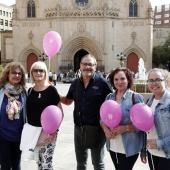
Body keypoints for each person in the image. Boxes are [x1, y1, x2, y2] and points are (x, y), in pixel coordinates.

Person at [60, 54, 113, 170]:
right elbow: (68, 101)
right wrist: (56, 95)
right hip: (79, 128)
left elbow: (113, 103)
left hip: (97, 129)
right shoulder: (75, 83)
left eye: (90, 64)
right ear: (80, 66)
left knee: (98, 163)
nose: (87, 67)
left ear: (95, 66)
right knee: (80, 163)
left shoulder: (103, 83)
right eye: (85, 64)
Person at [101, 67, 144, 170]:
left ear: (128, 80)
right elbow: (102, 118)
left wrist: (125, 128)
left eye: (122, 79)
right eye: (116, 79)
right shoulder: (109, 97)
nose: (119, 82)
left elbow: (142, 124)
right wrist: (105, 130)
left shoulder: (136, 97)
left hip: (130, 146)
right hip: (113, 145)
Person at [26, 61, 63, 170]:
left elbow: (60, 113)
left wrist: (53, 132)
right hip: (34, 132)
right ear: (31, 73)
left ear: (45, 73)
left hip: (48, 133)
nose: (38, 73)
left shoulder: (51, 90)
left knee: (47, 164)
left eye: (41, 70)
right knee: (40, 163)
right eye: (35, 70)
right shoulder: (30, 90)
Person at [141, 68, 170, 170]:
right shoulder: (149, 101)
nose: (154, 83)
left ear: (165, 81)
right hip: (152, 153)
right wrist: (144, 150)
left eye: (158, 80)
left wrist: (159, 143)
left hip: (167, 154)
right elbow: (147, 129)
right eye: (151, 80)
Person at [0, 62, 27, 170]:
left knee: (17, 164)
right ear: (7, 74)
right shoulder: (1, 91)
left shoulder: (24, 93)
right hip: (2, 135)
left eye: (19, 73)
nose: (17, 75)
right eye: (14, 73)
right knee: (5, 165)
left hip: (19, 135)